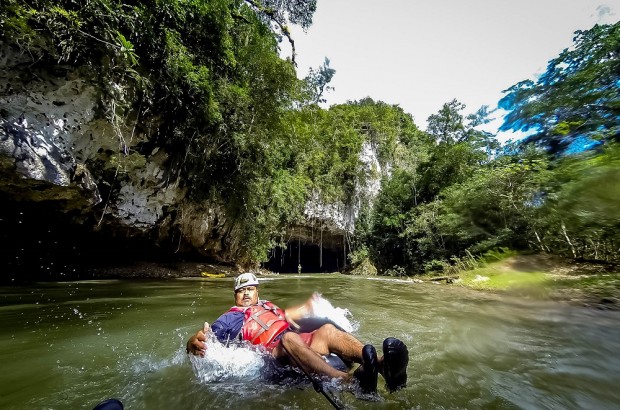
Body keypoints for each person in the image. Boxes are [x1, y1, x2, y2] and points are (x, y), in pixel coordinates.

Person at [186, 272, 409, 393]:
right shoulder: (229, 317)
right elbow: (207, 339)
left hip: (295, 342)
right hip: (271, 354)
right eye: (240, 290)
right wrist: (191, 343)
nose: (245, 294)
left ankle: (384, 367)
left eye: (250, 289)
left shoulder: (269, 306)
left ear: (257, 291)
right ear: (235, 295)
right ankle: (348, 383)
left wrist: (307, 311)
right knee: (289, 338)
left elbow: (290, 319)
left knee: (327, 330)